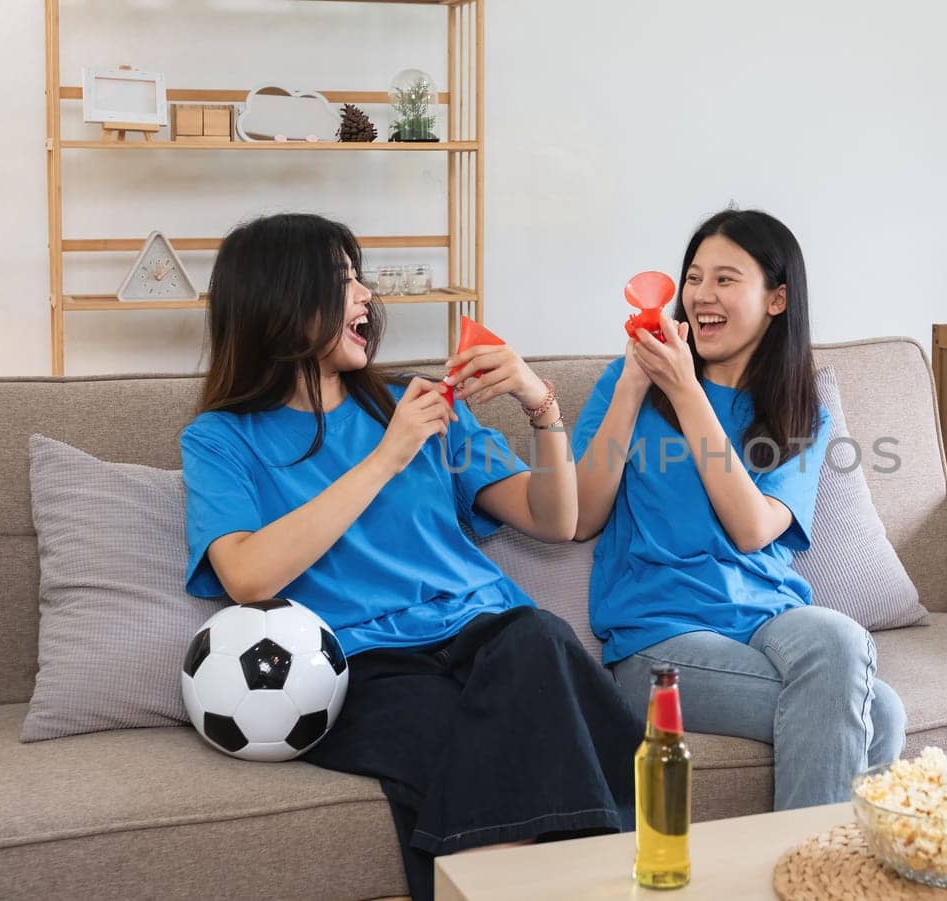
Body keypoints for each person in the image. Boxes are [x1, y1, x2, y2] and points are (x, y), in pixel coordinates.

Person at [179, 213, 640, 901]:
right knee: (467, 733)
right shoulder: (221, 438)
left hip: (490, 636)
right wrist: (388, 453)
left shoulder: (420, 400)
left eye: (361, 278)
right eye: (343, 282)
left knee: (539, 639)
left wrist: (539, 403)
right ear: (282, 297)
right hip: (364, 666)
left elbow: (555, 518)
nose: (365, 295)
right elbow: (247, 575)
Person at [572, 208, 906, 810]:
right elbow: (581, 515)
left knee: (843, 642)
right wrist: (636, 386)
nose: (702, 295)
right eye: (694, 278)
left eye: (726, 279)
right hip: (658, 638)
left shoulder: (801, 416)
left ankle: (812, 873)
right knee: (879, 711)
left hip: (770, 619)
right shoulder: (629, 383)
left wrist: (685, 391)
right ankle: (820, 875)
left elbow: (753, 528)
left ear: (777, 299)